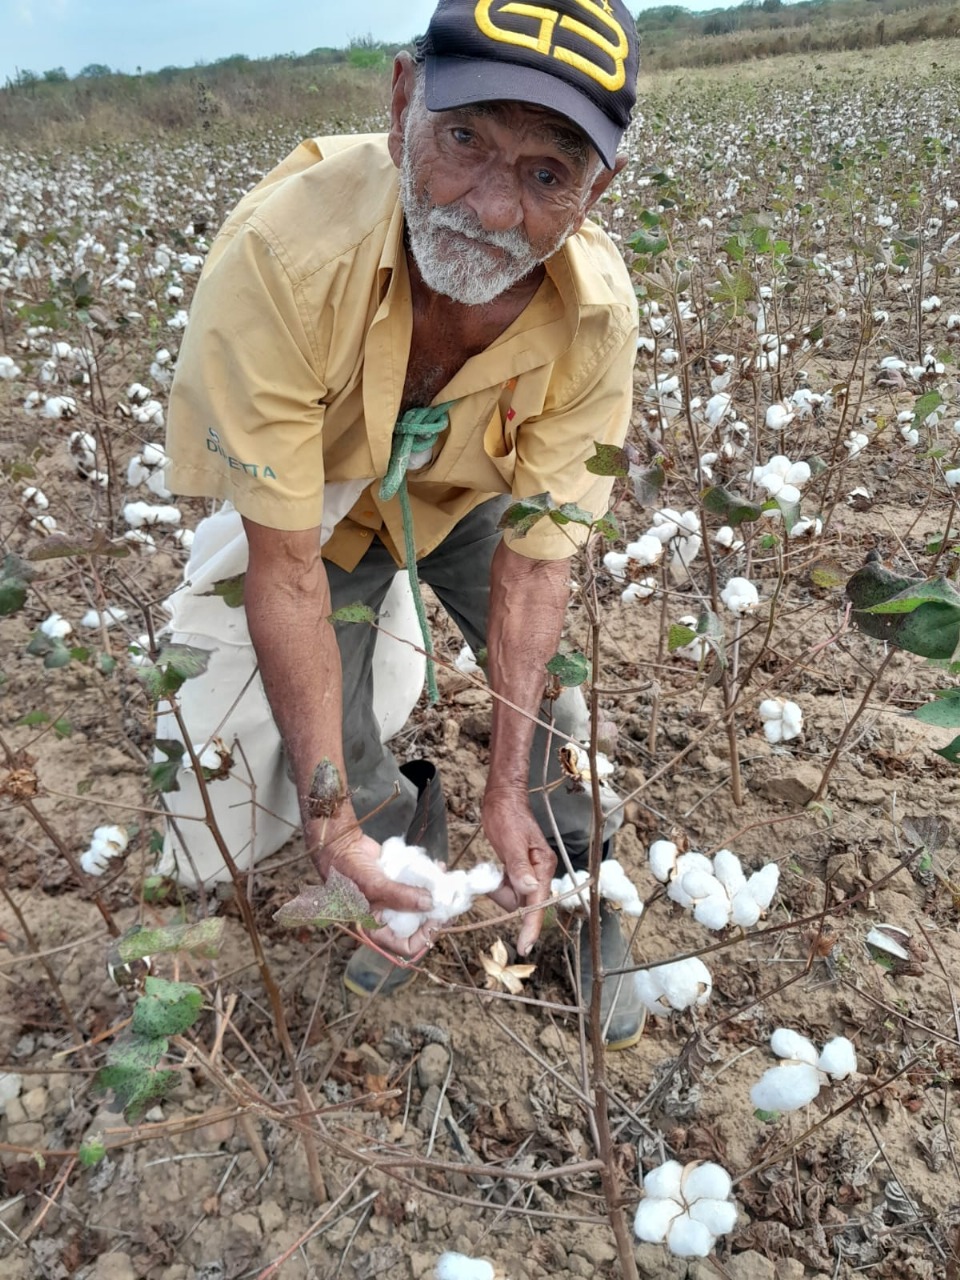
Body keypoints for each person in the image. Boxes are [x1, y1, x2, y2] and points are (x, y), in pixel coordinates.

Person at [165, 0, 644, 1047]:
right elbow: (286, 568)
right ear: (399, 105)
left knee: (552, 692)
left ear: (596, 190)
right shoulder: (282, 261)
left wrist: (507, 782)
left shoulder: (594, 315)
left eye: (547, 175)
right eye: (466, 138)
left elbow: (535, 565)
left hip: (468, 494)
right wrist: (328, 819)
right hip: (326, 502)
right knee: (317, 722)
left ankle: (577, 874)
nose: (491, 207)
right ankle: (393, 865)